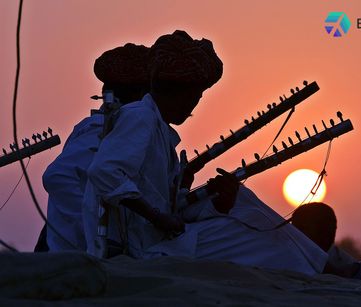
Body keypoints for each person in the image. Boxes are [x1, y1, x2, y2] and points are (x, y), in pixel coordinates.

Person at [83, 30, 330, 276]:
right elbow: (104, 172)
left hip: (156, 241)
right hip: (142, 251)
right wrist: (159, 218)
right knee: (253, 234)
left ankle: (325, 266)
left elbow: (166, 203)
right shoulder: (140, 117)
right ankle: (321, 274)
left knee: (246, 205)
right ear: (179, 91)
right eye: (196, 96)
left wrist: (214, 201)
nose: (194, 106)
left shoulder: (158, 128)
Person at [40, 43, 150, 252]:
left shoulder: (115, 128)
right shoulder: (100, 130)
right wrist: (93, 233)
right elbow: (58, 176)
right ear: (142, 93)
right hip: (74, 259)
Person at [291, 202, 361, 279]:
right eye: (321, 229)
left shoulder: (343, 260)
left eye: (331, 228)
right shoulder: (286, 255)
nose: (327, 235)